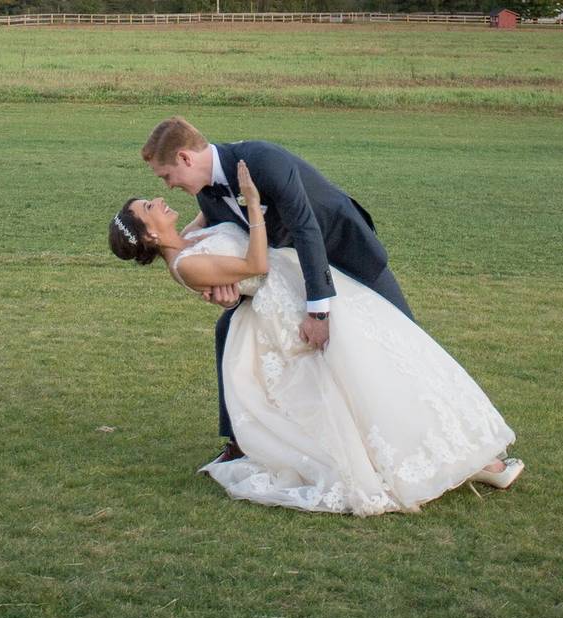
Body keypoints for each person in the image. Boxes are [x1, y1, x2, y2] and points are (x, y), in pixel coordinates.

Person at [108, 161, 524, 516]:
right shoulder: (186, 265)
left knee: (384, 366)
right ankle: (449, 460)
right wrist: (253, 203)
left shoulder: (188, 240)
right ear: (149, 236)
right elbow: (254, 262)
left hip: (298, 292)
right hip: (287, 312)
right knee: (364, 380)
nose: (157, 199)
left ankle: (466, 455)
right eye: (148, 207)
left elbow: (213, 219)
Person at [141, 116, 414, 465]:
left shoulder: (262, 160)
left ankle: (442, 430)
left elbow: (304, 226)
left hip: (344, 249)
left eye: (167, 175)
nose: (168, 186)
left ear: (185, 158)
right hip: (290, 272)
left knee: (404, 336)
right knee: (229, 328)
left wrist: (318, 312)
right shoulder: (207, 197)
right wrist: (231, 292)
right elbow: (239, 250)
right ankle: (240, 441)